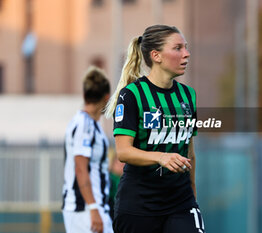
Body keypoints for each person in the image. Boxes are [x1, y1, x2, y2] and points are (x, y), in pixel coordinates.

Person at [105, 25, 205, 233]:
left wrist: (192, 193)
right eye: (178, 48)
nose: (186, 54)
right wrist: (160, 157)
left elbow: (190, 152)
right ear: (156, 55)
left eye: (186, 48)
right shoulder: (131, 95)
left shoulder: (188, 95)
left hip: (180, 202)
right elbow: (123, 152)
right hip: (138, 204)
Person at [62, 66, 113, 233]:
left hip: (93, 207)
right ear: (107, 97)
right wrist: (93, 207)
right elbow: (80, 168)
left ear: (84, 95)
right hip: (84, 209)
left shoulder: (92, 125)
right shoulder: (84, 124)